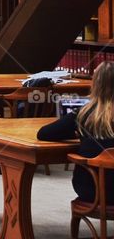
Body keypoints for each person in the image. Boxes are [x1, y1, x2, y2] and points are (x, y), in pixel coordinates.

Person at [38, 61, 114, 205]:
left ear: (95, 84)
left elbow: (44, 134)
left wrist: (79, 132)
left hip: (92, 189)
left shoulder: (83, 114)